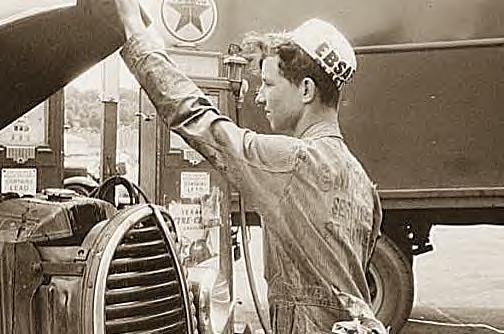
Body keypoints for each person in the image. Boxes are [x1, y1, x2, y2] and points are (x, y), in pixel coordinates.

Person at [111, 0, 386, 332]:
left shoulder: (296, 162)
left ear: (307, 90)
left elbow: (196, 117)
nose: (259, 97)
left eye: (268, 84)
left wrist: (135, 36)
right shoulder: (362, 182)